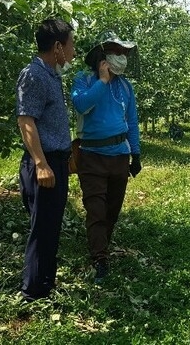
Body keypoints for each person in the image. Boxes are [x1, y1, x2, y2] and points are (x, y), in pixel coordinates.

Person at [70, 31, 142, 284]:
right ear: (102, 56)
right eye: (116, 53)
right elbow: (81, 105)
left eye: (124, 53)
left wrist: (136, 153)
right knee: (96, 208)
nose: (122, 58)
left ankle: (102, 244)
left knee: (112, 208)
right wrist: (101, 80)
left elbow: (131, 121)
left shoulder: (125, 87)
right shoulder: (84, 80)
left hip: (119, 156)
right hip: (91, 155)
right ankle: (99, 257)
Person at [16, 18, 75, 302]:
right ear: (57, 47)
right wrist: (41, 163)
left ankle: (45, 285)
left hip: (57, 162)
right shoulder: (34, 75)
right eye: (71, 44)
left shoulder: (51, 75)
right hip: (45, 164)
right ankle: (32, 292)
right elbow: (26, 121)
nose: (73, 51)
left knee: (51, 226)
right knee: (42, 229)